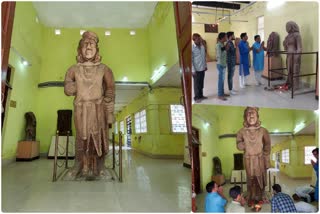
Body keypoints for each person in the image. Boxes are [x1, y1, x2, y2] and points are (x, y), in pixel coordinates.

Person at [64, 31, 115, 179]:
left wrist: (108, 101)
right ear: (79, 49)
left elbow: (110, 87)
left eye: (91, 45)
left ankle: (99, 166)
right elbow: (67, 85)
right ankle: (79, 164)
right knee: (81, 136)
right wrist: (69, 87)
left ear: (97, 50)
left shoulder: (104, 69)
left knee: (98, 136)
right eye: (85, 45)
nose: (88, 47)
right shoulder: (73, 69)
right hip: (80, 108)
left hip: (98, 108)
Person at [236, 107, 271, 203]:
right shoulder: (241, 131)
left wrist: (265, 156)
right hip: (248, 159)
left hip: (260, 158)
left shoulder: (263, 130)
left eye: (253, 113)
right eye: (248, 114)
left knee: (259, 177)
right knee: (250, 177)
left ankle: (260, 194)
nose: (251, 115)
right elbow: (238, 142)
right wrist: (240, 145)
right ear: (245, 117)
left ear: (257, 116)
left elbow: (267, 144)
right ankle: (251, 194)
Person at [283, 21, 302, 90]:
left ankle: (296, 85)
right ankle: (290, 83)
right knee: (289, 70)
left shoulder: (297, 35)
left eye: (287, 26)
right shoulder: (287, 36)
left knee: (295, 70)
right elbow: (285, 48)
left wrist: (297, 56)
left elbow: (299, 47)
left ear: (292, 26)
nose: (286, 28)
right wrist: (284, 43)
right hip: (289, 55)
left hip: (294, 55)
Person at [192, 33, 207, 103]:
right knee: (196, 84)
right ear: (194, 40)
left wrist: (205, 66)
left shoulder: (202, 47)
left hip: (202, 68)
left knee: (201, 83)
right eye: (198, 39)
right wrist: (193, 70)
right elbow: (190, 60)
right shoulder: (192, 48)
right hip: (196, 69)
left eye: (200, 38)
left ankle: (201, 95)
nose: (200, 40)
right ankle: (196, 97)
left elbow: (204, 57)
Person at [216, 32, 228, 101]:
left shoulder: (222, 45)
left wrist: (225, 48)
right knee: (220, 80)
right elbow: (219, 56)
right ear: (222, 38)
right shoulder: (218, 45)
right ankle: (220, 95)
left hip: (223, 64)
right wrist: (224, 48)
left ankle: (222, 93)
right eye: (225, 37)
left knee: (222, 79)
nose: (226, 38)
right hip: (220, 64)